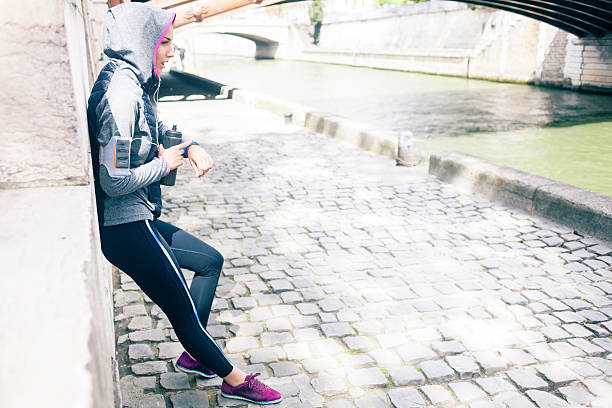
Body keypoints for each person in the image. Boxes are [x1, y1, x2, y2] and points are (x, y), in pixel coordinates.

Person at [86, 3, 281, 404]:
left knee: (209, 261)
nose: (171, 52)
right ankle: (234, 381)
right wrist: (164, 163)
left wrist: (189, 146)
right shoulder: (122, 95)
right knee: (184, 314)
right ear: (144, 42)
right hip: (126, 227)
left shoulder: (131, 81)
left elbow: (155, 135)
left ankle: (195, 356)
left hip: (137, 219)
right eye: (165, 42)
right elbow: (115, 180)